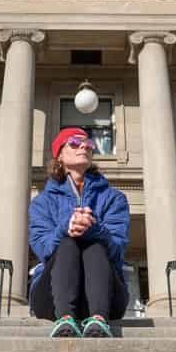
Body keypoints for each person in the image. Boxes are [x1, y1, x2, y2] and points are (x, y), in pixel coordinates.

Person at [28, 127, 130, 338]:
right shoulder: (42, 203)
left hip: (106, 297)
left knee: (94, 244)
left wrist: (94, 229)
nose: (84, 146)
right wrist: (66, 227)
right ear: (59, 156)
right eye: (74, 143)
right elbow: (43, 247)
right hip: (53, 297)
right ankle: (65, 318)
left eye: (89, 144)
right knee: (67, 243)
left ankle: (99, 319)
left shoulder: (114, 198)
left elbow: (118, 248)